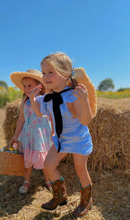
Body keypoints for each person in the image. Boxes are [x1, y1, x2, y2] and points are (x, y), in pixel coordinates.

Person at [28, 52, 97, 217]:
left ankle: (87, 201)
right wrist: (32, 98)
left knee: (80, 169)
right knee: (48, 165)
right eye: (43, 73)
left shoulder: (74, 95)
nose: (45, 76)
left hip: (78, 139)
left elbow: (85, 120)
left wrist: (85, 101)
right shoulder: (48, 98)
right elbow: (39, 113)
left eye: (50, 72)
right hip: (60, 139)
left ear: (65, 74)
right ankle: (60, 195)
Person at [9, 69, 53, 194]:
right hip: (28, 135)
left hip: (41, 135)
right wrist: (15, 135)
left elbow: (47, 116)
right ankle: (26, 181)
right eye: (25, 86)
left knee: (45, 161)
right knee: (27, 161)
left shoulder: (44, 99)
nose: (27, 88)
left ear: (39, 87)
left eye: (30, 86)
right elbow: (21, 119)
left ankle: (48, 180)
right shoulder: (25, 101)